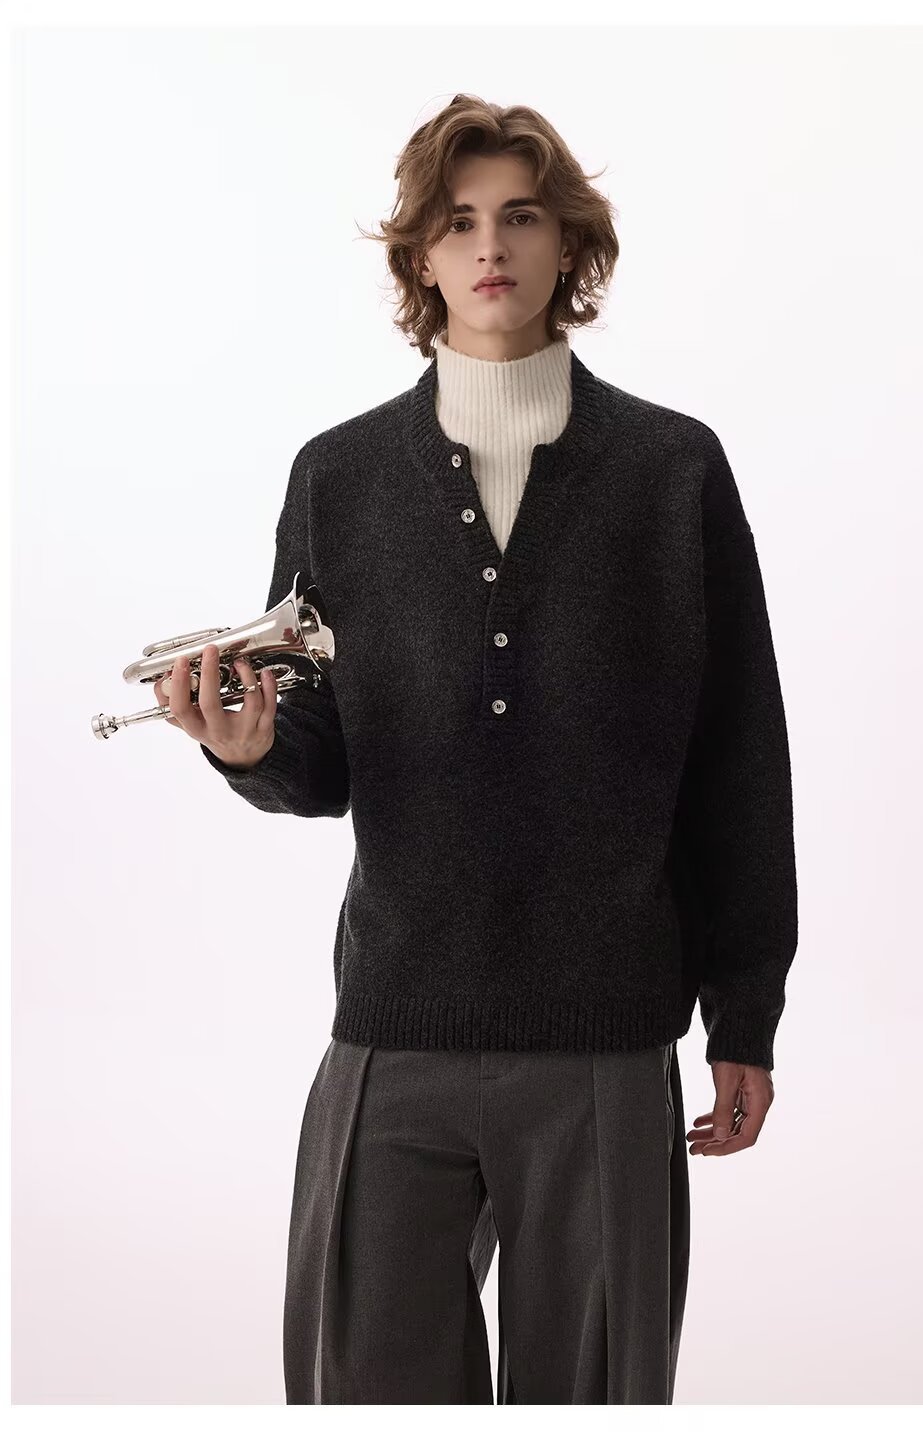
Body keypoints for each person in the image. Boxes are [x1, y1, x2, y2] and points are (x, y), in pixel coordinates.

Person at [156, 93, 798, 1406]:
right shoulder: (337, 477)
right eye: (457, 223)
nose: (490, 245)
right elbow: (322, 757)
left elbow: (739, 759)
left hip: (608, 1034)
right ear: (421, 258)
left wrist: (746, 1014)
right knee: (362, 1390)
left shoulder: (672, 471)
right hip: (395, 1024)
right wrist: (252, 749)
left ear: (571, 246)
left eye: (521, 216)